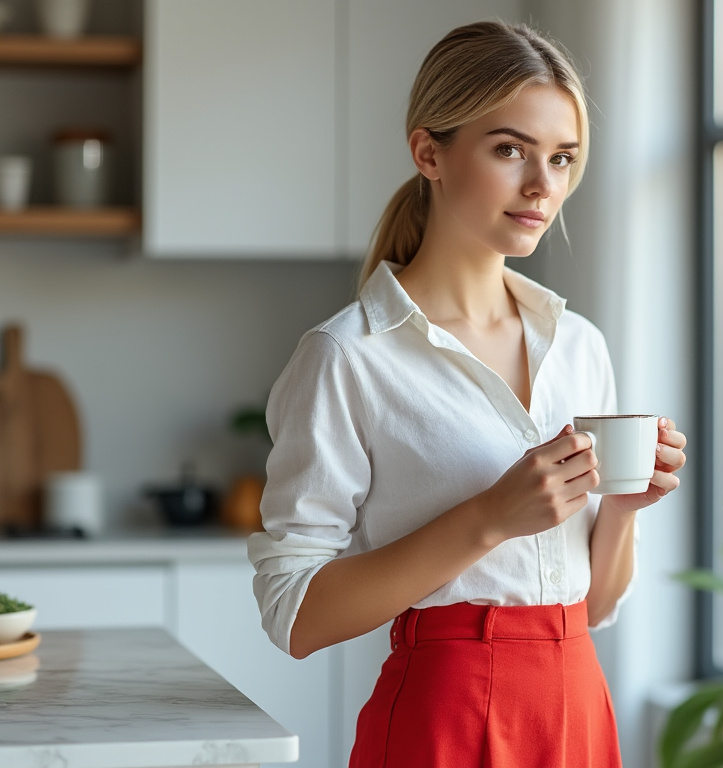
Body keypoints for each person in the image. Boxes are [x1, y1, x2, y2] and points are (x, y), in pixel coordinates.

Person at [247, 19, 688, 767]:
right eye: (509, 149)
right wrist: (487, 518)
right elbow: (294, 616)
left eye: (562, 158)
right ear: (430, 153)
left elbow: (597, 604)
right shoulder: (348, 357)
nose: (542, 185)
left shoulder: (580, 345)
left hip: (579, 706)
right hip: (445, 717)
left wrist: (623, 505)